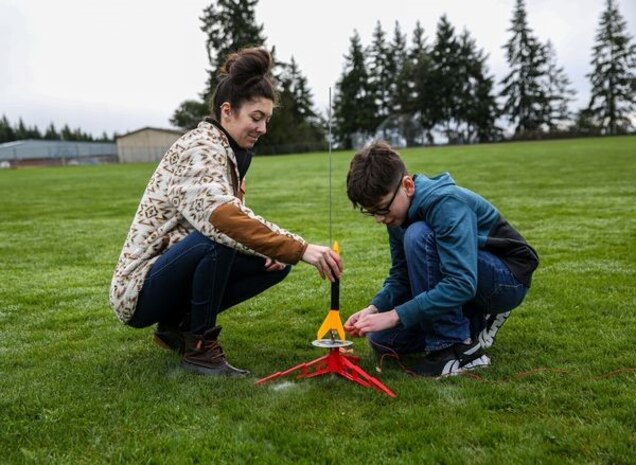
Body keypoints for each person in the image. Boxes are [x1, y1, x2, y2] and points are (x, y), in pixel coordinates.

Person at [109, 47, 342, 377]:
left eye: (267, 121)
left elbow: (230, 221)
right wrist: (301, 249)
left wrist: (277, 251)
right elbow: (221, 219)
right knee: (217, 242)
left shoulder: (227, 150)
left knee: (274, 264)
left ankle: (177, 327)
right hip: (138, 289)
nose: (262, 128)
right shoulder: (200, 147)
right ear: (227, 111)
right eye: (256, 118)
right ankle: (200, 348)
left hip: (172, 268)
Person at [343, 141, 538, 378]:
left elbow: (461, 282)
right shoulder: (397, 216)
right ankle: (474, 320)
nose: (378, 219)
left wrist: (394, 315)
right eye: (371, 212)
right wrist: (375, 309)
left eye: (382, 209)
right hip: (467, 279)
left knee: (418, 235)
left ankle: (457, 349)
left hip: (507, 279)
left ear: (407, 185)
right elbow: (401, 276)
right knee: (383, 339)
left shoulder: (445, 203)